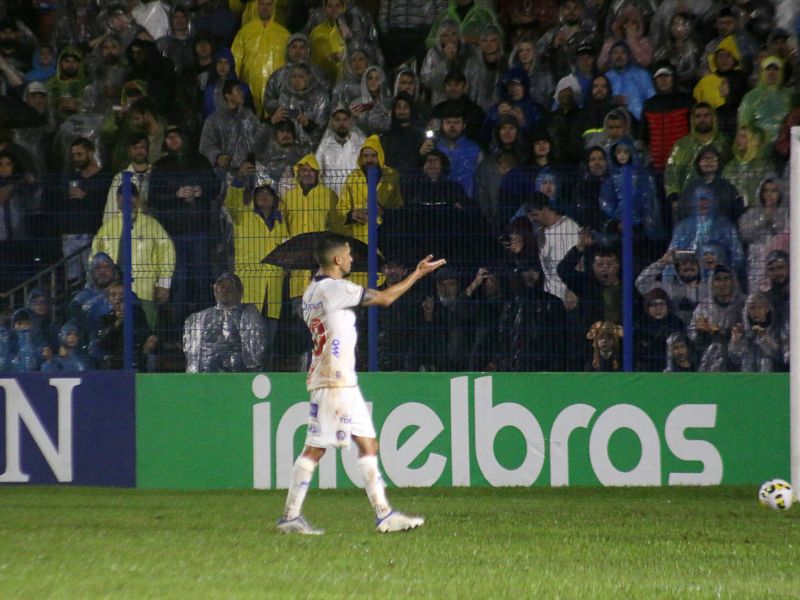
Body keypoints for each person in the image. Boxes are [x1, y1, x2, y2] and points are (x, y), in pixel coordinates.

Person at [277, 233, 445, 535]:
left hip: (341, 380)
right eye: (349, 255)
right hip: (333, 380)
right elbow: (386, 298)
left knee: (368, 443)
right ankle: (290, 516)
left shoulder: (311, 291)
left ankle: (384, 515)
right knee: (315, 448)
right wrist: (417, 274)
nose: (353, 259)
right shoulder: (335, 288)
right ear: (337, 260)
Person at [183, 272, 267, 373]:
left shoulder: (248, 314)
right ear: (215, 290)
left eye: (230, 287)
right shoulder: (199, 318)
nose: (225, 290)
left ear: (239, 292)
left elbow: (254, 353)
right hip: (208, 368)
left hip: (237, 366)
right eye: (221, 287)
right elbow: (193, 354)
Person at [230, 0, 290, 116]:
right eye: (261, 4)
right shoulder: (245, 32)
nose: (265, 8)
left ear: (274, 6)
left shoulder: (284, 34)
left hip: (276, 93)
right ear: (256, 6)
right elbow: (235, 62)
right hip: (248, 92)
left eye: (269, 4)